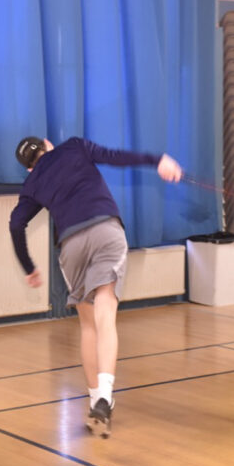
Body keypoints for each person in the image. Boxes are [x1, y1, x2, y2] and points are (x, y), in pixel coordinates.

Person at [10, 136, 182, 438]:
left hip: (71, 246)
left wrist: (29, 267)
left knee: (88, 326)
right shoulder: (74, 146)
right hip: (105, 231)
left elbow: (15, 224)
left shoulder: (33, 182)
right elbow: (115, 156)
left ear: (29, 168)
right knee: (106, 313)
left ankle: (95, 402)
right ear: (49, 144)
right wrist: (157, 160)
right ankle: (105, 394)